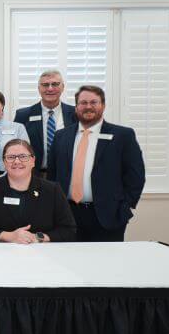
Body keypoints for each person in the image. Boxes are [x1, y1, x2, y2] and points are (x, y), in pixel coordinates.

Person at [48, 85, 145, 241]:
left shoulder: (122, 135)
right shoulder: (61, 136)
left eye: (94, 102)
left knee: (107, 257)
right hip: (67, 215)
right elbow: (52, 174)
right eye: (83, 103)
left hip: (107, 216)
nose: (88, 106)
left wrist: (125, 207)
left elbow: (136, 176)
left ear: (103, 105)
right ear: (76, 107)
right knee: (66, 256)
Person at [0, 139, 76, 243]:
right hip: (1, 251)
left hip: (40, 251)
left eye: (23, 156)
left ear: (33, 161)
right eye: (11, 157)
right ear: (4, 162)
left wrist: (37, 238)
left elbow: (68, 229)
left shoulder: (52, 190)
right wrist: (8, 236)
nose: (17, 161)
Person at [13, 70, 77, 175]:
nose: (50, 89)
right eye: (45, 85)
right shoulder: (23, 115)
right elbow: (15, 148)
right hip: (33, 176)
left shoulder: (75, 114)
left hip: (66, 175)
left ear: (63, 87)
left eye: (55, 84)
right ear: (39, 88)